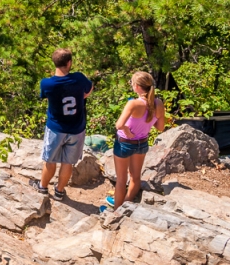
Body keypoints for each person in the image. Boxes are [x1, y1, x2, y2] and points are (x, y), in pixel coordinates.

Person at [30, 48, 94, 201]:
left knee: (50, 160)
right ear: (69, 63)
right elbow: (89, 89)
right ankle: (59, 191)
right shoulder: (79, 78)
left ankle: (43, 187)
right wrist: (81, 96)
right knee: (68, 162)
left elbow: (44, 96)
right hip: (77, 129)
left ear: (54, 63)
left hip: (56, 128)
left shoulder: (47, 83)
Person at [104, 71, 165, 211]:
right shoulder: (158, 103)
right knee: (135, 177)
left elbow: (119, 125)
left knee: (121, 180)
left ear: (137, 86)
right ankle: (126, 204)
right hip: (142, 143)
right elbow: (160, 127)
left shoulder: (133, 103)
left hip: (125, 143)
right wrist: (148, 122)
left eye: (132, 83)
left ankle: (117, 212)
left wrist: (127, 131)